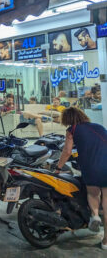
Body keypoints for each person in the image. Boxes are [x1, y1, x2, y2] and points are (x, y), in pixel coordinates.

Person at [55, 107, 107, 250]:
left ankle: (95, 215)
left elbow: (67, 151)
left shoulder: (72, 130)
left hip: (91, 166)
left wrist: (58, 168)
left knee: (93, 193)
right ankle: (105, 242)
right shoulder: (99, 127)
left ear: (68, 119)